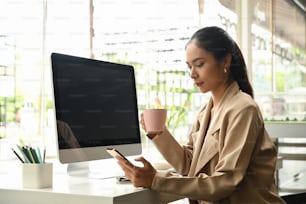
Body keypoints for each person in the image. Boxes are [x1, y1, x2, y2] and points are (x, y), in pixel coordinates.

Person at [116, 26, 286, 204]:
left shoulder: (243, 109)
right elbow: (190, 165)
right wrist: (159, 134)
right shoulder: (206, 111)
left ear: (225, 61)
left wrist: (156, 180)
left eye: (199, 64)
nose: (192, 74)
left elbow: (225, 181)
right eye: (189, 66)